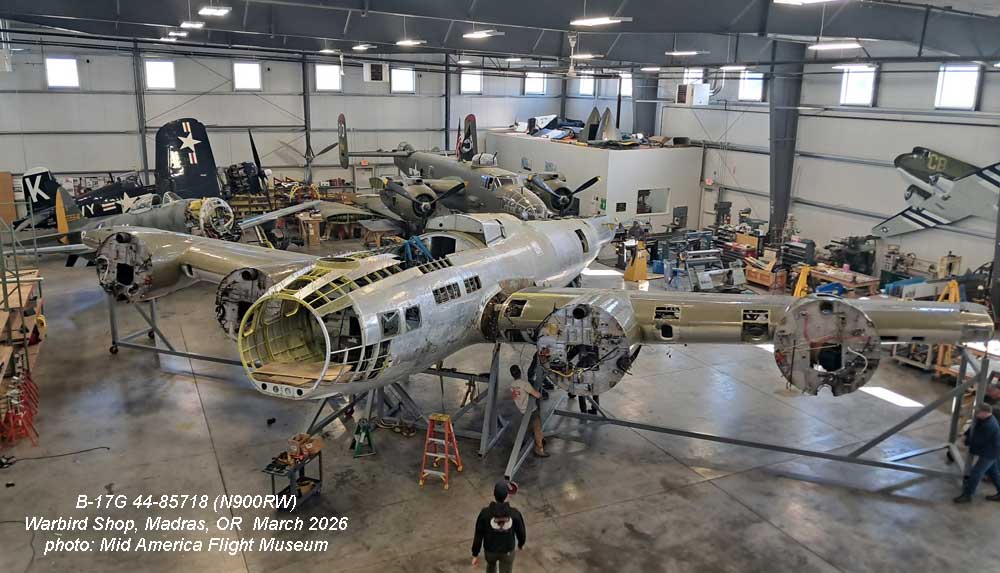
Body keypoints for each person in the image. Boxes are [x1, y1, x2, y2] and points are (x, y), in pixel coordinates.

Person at [471, 479, 526, 572]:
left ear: (494, 494)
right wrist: (521, 544)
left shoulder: (485, 514)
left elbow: (478, 535)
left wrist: (475, 554)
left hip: (490, 551)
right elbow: (521, 532)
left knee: (490, 566)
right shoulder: (514, 514)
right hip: (507, 551)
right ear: (507, 495)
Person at [954, 404, 1000, 504]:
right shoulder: (983, 418)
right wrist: (965, 434)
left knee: (976, 473)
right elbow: (973, 427)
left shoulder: (989, 425)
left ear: (985, 412)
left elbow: (978, 441)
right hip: (990, 450)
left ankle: (967, 495)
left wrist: (965, 441)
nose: (975, 414)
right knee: (993, 473)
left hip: (990, 452)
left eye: (977, 412)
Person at [510, 364, 548, 458]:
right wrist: (541, 394)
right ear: (520, 372)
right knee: (537, 428)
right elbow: (537, 395)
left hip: (522, 410)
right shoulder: (524, 384)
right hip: (531, 410)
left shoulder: (512, 385)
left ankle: (517, 442)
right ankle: (539, 449)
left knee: (525, 425)